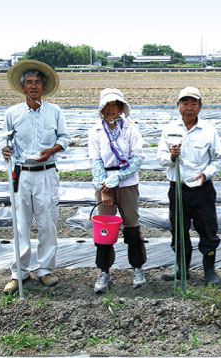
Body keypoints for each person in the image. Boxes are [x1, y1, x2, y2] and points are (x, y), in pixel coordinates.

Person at [0, 60, 71, 293]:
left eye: (37, 83)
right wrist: (5, 149)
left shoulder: (55, 111)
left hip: (46, 173)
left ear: (44, 86)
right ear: (22, 87)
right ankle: (19, 273)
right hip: (21, 174)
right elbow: (5, 140)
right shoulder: (12, 113)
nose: (33, 86)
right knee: (20, 224)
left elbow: (65, 138)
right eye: (29, 82)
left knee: (47, 222)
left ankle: (45, 270)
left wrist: (51, 150)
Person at [157, 87, 221, 286]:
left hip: (202, 189)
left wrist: (206, 174)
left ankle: (209, 270)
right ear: (178, 106)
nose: (189, 108)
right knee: (178, 229)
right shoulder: (170, 129)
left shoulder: (209, 130)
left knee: (208, 229)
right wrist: (171, 156)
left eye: (193, 104)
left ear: (200, 107)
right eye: (185, 103)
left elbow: (219, 159)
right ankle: (182, 268)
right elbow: (161, 159)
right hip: (178, 188)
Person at [88, 88, 147, 292]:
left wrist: (118, 177)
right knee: (104, 229)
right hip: (104, 185)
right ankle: (104, 271)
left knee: (132, 225)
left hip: (127, 183)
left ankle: (137, 267)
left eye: (115, 105)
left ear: (121, 108)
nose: (110, 109)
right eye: (107, 106)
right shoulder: (95, 130)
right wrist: (103, 187)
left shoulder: (130, 129)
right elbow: (95, 160)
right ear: (101, 109)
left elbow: (137, 158)